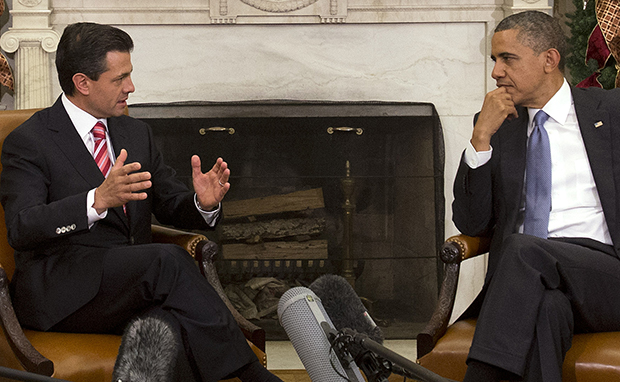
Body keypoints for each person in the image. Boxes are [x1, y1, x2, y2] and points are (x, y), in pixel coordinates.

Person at [0, 22, 282, 382]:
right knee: (166, 259)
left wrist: (202, 203)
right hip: (62, 293)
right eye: (119, 79)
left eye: (130, 75)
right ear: (83, 82)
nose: (130, 87)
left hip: (135, 287)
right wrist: (96, 200)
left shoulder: (135, 132)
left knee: (168, 326)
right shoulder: (30, 141)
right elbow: (23, 227)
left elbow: (168, 201)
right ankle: (251, 374)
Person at [453, 10, 620, 382]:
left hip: (607, 277)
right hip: (531, 283)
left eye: (507, 59)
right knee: (547, 309)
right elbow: (471, 222)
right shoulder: (499, 127)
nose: (496, 72)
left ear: (549, 59)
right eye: (494, 60)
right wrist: (480, 140)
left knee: (522, 248)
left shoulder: (611, 114)